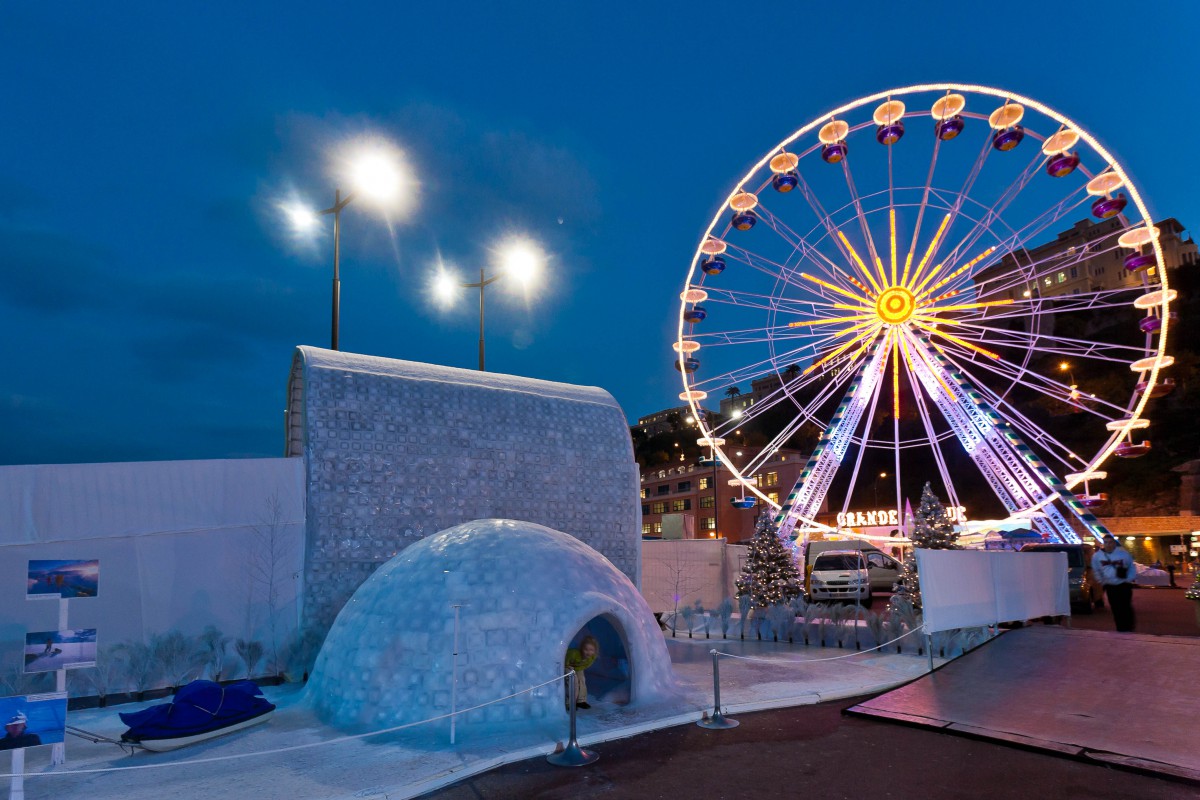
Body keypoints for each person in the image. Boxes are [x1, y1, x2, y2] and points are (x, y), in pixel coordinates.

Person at [1092, 534, 1137, 632]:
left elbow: (1131, 567)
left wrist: (1129, 579)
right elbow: (1096, 570)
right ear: (1103, 543)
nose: (1108, 544)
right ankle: (1120, 628)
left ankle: (1129, 627)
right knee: (1115, 607)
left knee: (1125, 606)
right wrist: (1102, 581)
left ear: (1114, 543)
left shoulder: (1123, 554)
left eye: (1110, 542)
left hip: (1124, 584)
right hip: (1110, 585)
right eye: (1106, 542)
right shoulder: (1097, 556)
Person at [564, 636, 599, 710]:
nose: (588, 652)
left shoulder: (592, 657)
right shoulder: (574, 654)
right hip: (567, 665)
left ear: (595, 651)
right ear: (581, 649)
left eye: (591, 650)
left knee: (582, 679)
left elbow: (584, 665)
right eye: (586, 649)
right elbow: (565, 660)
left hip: (577, 667)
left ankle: (581, 701)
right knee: (573, 681)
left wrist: (577, 671)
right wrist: (569, 667)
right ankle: (569, 703)